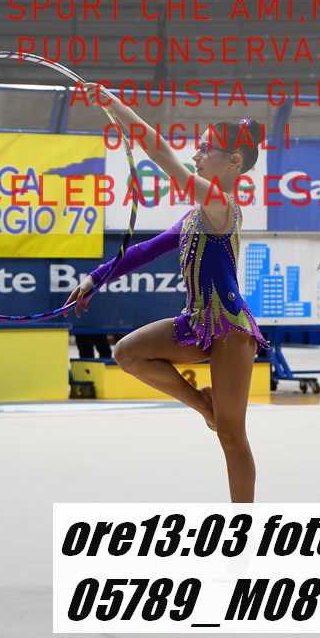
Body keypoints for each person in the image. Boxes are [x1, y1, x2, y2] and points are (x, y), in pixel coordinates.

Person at [63, 84, 270, 503]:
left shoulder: (222, 206)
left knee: (232, 437)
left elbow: (163, 156)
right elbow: (143, 250)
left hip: (230, 331)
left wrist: (114, 105)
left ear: (233, 161)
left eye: (205, 149)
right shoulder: (195, 216)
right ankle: (205, 407)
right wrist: (94, 278)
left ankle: (245, 524)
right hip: (195, 323)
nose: (196, 154)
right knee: (127, 353)